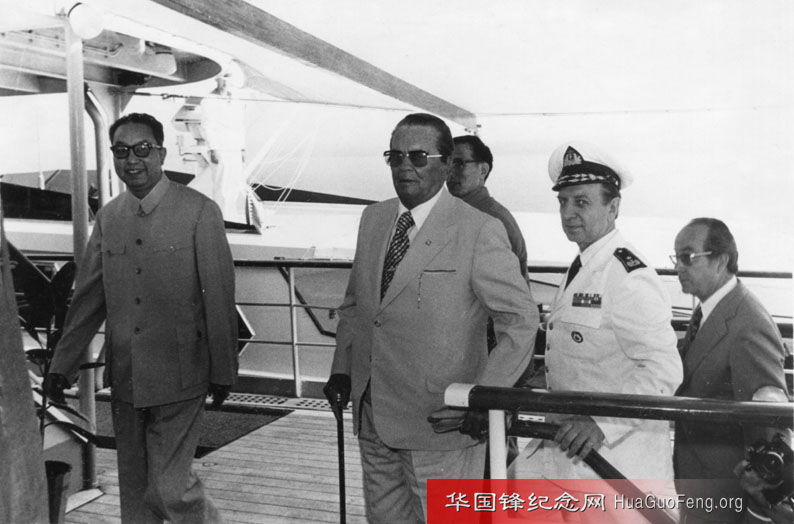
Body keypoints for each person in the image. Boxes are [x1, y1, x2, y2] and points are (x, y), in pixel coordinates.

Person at [324, 113, 538, 523]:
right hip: (374, 419)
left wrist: (484, 397)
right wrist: (341, 371)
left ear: (446, 164)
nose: (405, 166)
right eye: (395, 156)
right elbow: (356, 307)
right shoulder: (374, 220)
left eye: (419, 156)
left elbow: (521, 319)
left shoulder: (478, 229)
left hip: (441, 424)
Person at [45, 113, 238, 524]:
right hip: (127, 377)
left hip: (181, 376)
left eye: (142, 149)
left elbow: (219, 297)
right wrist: (62, 365)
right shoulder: (109, 217)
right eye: (121, 151)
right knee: (135, 496)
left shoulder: (199, 212)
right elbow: (88, 298)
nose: (132, 159)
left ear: (161, 154)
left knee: (170, 488)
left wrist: (223, 369)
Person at [510, 141, 683, 511]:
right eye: (563, 202)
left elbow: (663, 369)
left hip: (616, 464)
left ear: (613, 207)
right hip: (569, 454)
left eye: (582, 202)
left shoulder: (628, 275)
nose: (568, 213)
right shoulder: (584, 265)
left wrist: (600, 422)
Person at [672, 217, 790, 524]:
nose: (678, 268)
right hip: (700, 482)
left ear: (721, 261)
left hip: (726, 493)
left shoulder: (747, 324)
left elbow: (769, 423)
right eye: (676, 259)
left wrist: (761, 507)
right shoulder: (709, 310)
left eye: (688, 257)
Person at [447, 135, 528, 279]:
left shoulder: (493, 219)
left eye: (459, 163)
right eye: (447, 163)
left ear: (483, 170)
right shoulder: (451, 214)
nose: (450, 172)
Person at [198, 74, 248, 224]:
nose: (226, 82)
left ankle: (231, 217)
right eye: (223, 78)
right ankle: (221, 219)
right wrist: (213, 149)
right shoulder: (209, 100)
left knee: (234, 184)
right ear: (217, 79)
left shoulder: (235, 100)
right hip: (220, 148)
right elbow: (207, 126)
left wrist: (242, 148)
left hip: (235, 147)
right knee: (222, 186)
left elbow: (240, 125)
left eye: (229, 78)